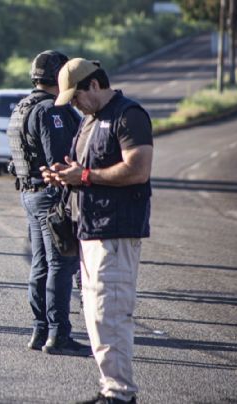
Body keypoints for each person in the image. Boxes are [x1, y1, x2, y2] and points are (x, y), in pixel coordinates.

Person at [45, 58, 153, 404]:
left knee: (111, 315)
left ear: (94, 85)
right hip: (88, 230)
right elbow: (83, 169)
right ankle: (111, 389)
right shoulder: (89, 121)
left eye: (75, 96)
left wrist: (86, 177)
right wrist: (65, 174)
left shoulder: (129, 115)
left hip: (116, 231)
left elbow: (138, 169)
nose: (73, 104)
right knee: (94, 317)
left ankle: (120, 394)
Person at [8, 50, 90, 357]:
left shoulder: (21, 106)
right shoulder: (50, 111)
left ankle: (40, 329)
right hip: (50, 196)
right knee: (60, 264)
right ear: (58, 76)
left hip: (30, 194)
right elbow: (60, 160)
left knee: (41, 264)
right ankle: (58, 334)